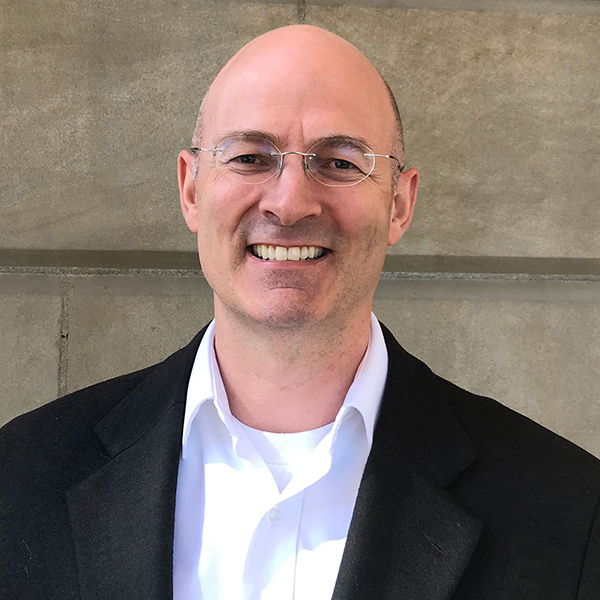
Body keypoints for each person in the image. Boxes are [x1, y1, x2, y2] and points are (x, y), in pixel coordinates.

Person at [1, 24, 599, 600]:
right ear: (190, 189)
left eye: (340, 161)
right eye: (249, 157)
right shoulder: (20, 480)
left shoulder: (567, 509)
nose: (288, 203)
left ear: (400, 202)